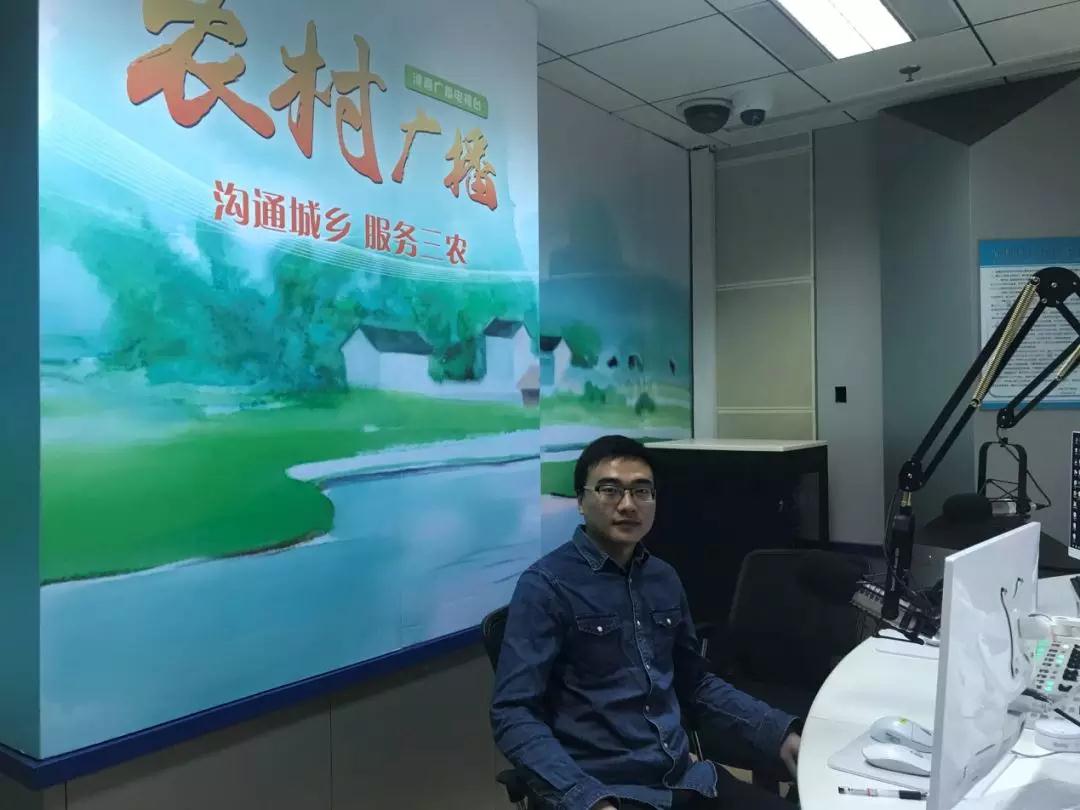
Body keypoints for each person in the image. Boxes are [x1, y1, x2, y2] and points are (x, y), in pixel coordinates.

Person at [491, 435, 801, 810]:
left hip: (685, 780)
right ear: (580, 501)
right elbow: (513, 713)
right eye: (610, 490)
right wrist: (588, 800)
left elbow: (695, 684)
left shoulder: (663, 578)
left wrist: (778, 733)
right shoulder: (546, 586)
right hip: (607, 793)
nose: (627, 505)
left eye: (641, 491)